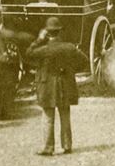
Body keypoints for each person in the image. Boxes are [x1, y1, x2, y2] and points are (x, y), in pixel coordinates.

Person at [26, 16, 89, 155]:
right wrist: (70, 71)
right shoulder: (70, 47)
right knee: (65, 114)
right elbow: (84, 61)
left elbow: (28, 54)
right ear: (60, 32)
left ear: (47, 32)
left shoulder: (44, 49)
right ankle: (67, 145)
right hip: (66, 83)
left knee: (48, 116)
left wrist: (38, 39)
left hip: (47, 85)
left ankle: (48, 147)